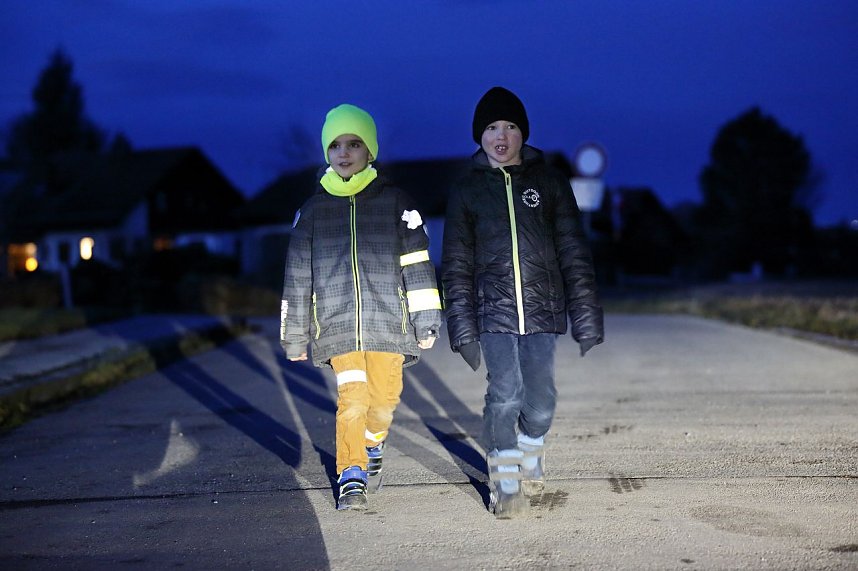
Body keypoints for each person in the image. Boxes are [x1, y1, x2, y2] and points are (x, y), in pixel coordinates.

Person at [441, 87, 604, 518]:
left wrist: (586, 316)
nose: (501, 135)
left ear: (522, 134)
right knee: (505, 394)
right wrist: (461, 330)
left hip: (542, 308)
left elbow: (573, 250)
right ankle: (506, 481)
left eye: (510, 126)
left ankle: (532, 444)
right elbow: (456, 263)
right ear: (479, 136)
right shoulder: (466, 190)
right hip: (489, 311)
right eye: (492, 127)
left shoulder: (548, 183)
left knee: (540, 401)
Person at [281, 103, 442, 511]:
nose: (344, 152)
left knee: (384, 400)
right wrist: (295, 334)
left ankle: (372, 443)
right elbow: (299, 276)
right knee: (352, 399)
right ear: (326, 153)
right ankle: (350, 473)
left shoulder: (396, 204)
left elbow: (418, 265)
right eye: (335, 145)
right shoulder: (312, 212)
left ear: (370, 150)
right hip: (336, 327)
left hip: (389, 323)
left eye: (354, 143)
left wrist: (426, 320)